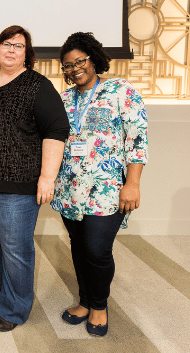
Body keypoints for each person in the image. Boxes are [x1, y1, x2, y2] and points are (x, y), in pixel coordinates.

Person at [0, 25, 69, 332]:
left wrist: (47, 178)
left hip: (20, 186)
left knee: (16, 248)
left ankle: (14, 309)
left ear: (27, 53)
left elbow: (57, 130)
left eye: (19, 46)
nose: (11, 50)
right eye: (6, 44)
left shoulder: (38, 86)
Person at [51, 32, 148, 337]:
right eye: (68, 65)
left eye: (79, 60)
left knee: (96, 248)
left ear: (93, 59)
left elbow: (137, 139)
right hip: (69, 188)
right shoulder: (64, 100)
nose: (74, 68)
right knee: (79, 247)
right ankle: (84, 300)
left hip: (106, 190)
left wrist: (132, 183)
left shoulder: (121, 91)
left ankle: (99, 304)